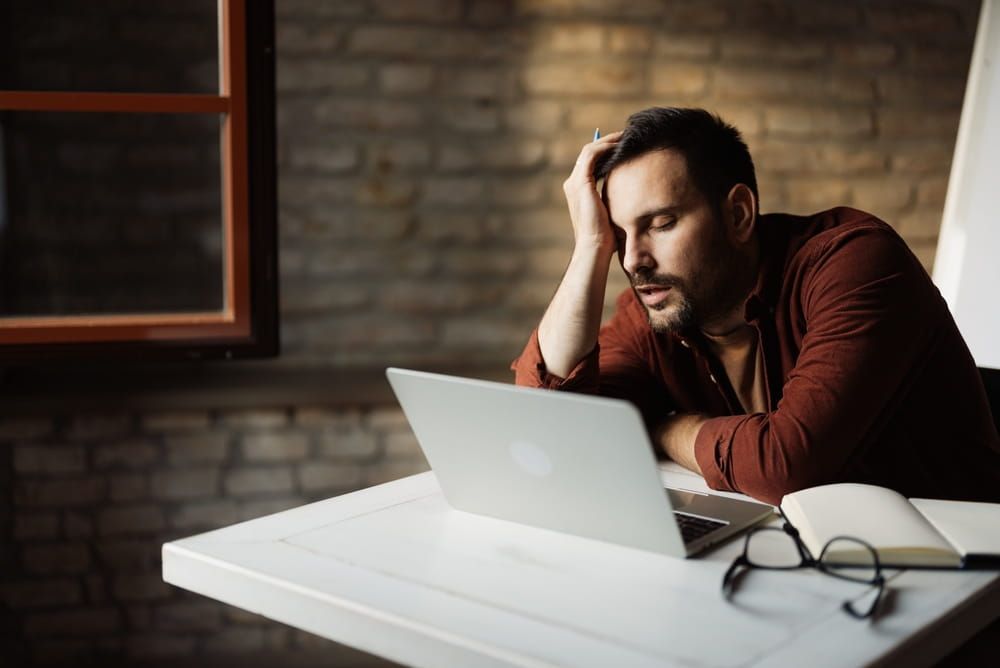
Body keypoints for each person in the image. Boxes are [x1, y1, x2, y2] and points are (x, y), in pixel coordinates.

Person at [511, 106, 1000, 505]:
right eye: (619, 234)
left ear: (739, 214)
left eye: (660, 224)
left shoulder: (855, 263)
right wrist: (589, 249)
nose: (634, 260)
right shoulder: (652, 310)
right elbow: (550, 427)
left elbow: (785, 465)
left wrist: (666, 427)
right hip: (805, 560)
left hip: (960, 580)